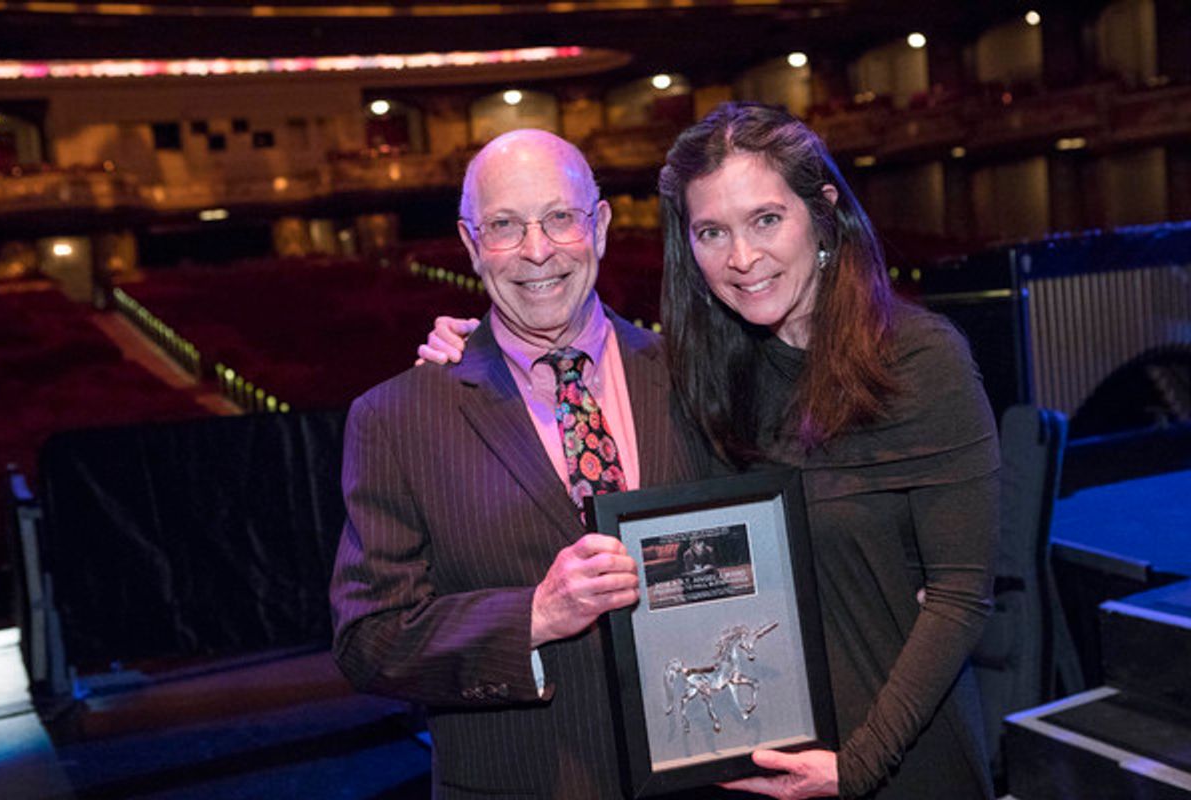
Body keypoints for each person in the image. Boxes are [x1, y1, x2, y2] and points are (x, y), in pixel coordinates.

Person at [421, 103, 999, 800]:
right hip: (761, 753)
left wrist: (858, 766)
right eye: (711, 232)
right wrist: (470, 350)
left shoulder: (919, 359)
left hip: (898, 757)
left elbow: (963, 597)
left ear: (822, 213)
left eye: (765, 219)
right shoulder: (710, 371)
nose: (742, 258)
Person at [330, 128, 698, 799]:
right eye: (504, 225)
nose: (537, 250)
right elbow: (369, 642)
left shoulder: (695, 376)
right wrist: (533, 616)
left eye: (561, 217)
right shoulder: (397, 418)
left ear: (603, 226)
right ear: (472, 246)